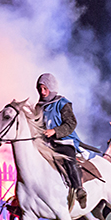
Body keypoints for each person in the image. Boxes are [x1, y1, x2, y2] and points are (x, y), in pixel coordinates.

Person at [35, 73, 87, 208]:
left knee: (69, 157)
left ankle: (79, 188)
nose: (42, 92)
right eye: (40, 89)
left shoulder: (62, 103)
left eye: (45, 88)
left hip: (64, 141)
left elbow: (71, 123)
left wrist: (55, 131)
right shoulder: (39, 107)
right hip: (46, 143)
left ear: (51, 88)